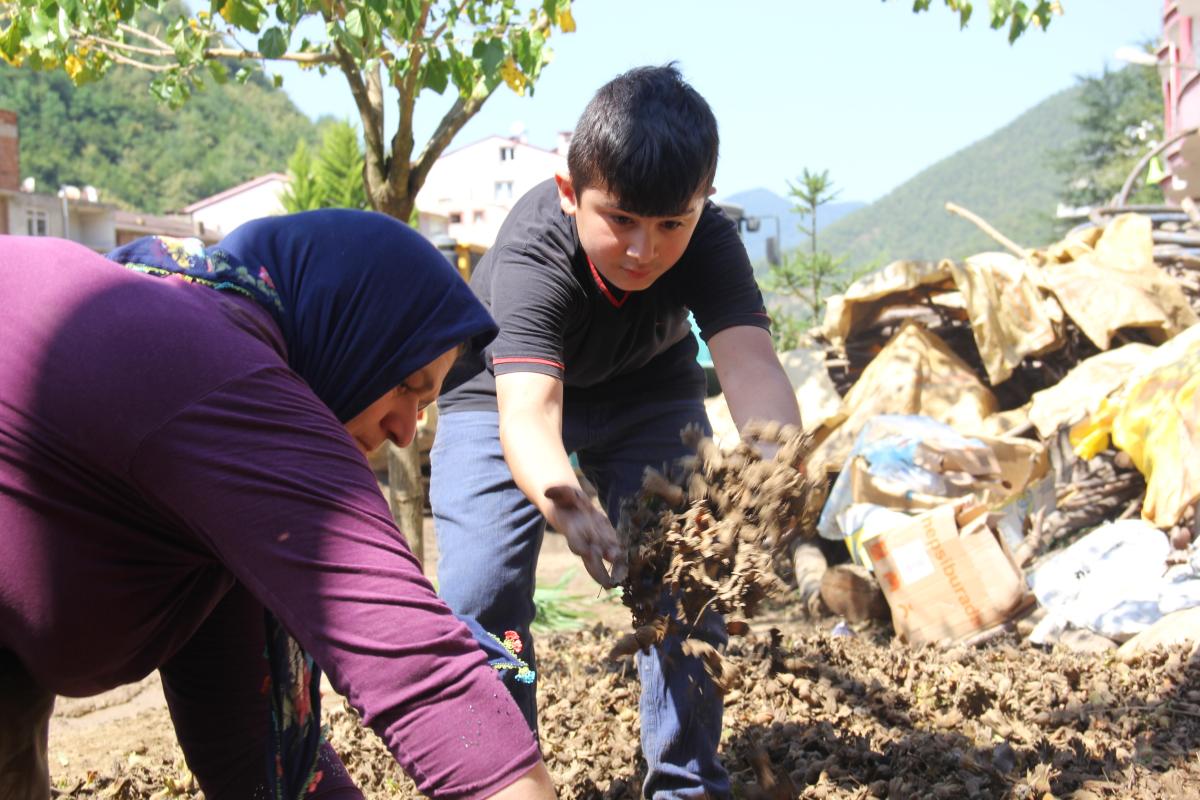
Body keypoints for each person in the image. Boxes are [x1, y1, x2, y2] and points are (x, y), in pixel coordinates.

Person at [0, 210, 558, 800]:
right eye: (404, 386)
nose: (404, 432)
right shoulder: (219, 380)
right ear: (342, 326)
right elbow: (419, 670)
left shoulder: (205, 482)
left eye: (427, 406)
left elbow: (250, 753)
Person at [431, 65, 803, 798]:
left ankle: (685, 782)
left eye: (673, 223)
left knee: (685, 582)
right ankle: (501, 777)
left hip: (647, 391)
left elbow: (751, 363)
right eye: (621, 220)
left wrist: (775, 465)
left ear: (704, 203)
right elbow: (531, 413)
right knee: (482, 588)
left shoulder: (710, 242)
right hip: (502, 393)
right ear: (572, 195)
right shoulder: (533, 251)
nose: (645, 249)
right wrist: (566, 499)